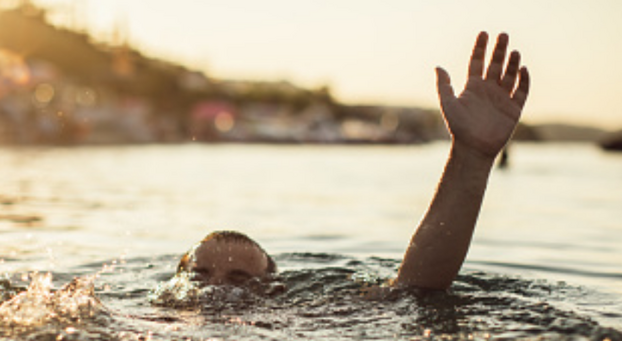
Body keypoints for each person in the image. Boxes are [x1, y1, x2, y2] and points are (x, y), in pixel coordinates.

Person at [176, 32, 530, 291]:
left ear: (272, 289)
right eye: (199, 275)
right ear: (175, 279)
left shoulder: (301, 317)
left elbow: (412, 287)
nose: (214, 289)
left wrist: (470, 158)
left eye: (240, 280)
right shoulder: (142, 324)